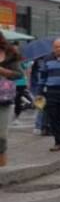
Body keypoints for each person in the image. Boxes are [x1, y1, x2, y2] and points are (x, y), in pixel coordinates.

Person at [0, 32, 22, 167]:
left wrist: (3, 71)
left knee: (1, 136)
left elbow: (18, 74)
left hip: (2, 100)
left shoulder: (9, 54)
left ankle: (1, 169)